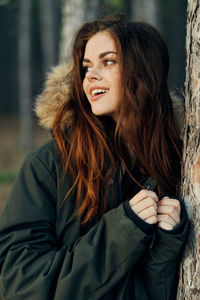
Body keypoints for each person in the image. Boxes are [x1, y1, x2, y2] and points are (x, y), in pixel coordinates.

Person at [0, 15, 189, 299]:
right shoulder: (49, 165)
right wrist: (123, 230)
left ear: (144, 70)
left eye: (108, 61)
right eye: (87, 66)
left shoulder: (176, 164)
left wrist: (166, 245)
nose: (90, 75)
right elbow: (21, 283)